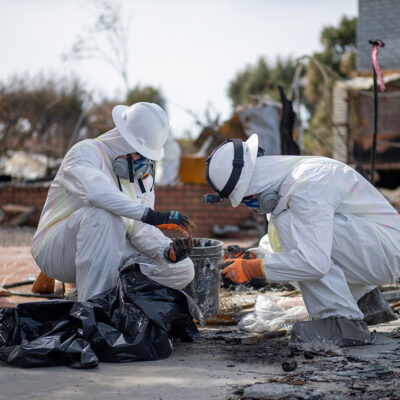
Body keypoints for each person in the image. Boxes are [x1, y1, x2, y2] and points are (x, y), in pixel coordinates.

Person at [205, 134, 400, 345]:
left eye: (246, 199)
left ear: (253, 186)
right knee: (289, 228)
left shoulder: (305, 186)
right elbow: (288, 246)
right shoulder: (287, 185)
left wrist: (252, 269)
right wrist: (253, 256)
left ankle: (344, 323)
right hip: (372, 250)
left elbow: (313, 262)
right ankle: (364, 301)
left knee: (294, 230)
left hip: (386, 252)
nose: (250, 206)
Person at [31, 102, 195, 302]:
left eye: (147, 157)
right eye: (139, 153)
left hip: (109, 250)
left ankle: (103, 297)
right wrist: (149, 215)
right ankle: (93, 312)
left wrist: (165, 250)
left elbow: (139, 230)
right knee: (104, 214)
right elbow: (95, 192)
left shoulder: (141, 176)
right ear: (123, 141)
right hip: (57, 251)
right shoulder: (85, 152)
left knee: (182, 269)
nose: (142, 163)